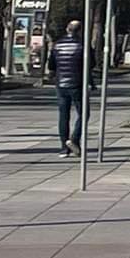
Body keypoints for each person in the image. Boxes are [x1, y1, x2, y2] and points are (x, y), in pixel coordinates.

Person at [47, 19, 86, 157]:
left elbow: (51, 65)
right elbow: (91, 63)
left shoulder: (57, 45)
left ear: (67, 29)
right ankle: (74, 139)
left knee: (63, 115)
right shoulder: (83, 45)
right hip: (78, 83)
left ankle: (64, 147)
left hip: (61, 84)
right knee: (83, 113)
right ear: (80, 30)